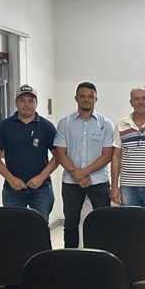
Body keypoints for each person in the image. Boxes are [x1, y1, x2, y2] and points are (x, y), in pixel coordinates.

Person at [54, 82, 114, 248]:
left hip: (99, 181)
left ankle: (101, 258)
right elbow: (60, 153)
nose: (86, 100)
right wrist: (77, 174)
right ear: (76, 98)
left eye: (90, 96)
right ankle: (71, 259)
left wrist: (83, 172)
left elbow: (107, 155)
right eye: (82, 96)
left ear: (96, 99)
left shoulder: (106, 124)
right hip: (71, 183)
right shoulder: (65, 123)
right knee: (70, 225)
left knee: (103, 224)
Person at [0, 84, 58, 222]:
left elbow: (58, 156)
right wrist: (10, 179)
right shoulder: (4, 126)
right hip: (12, 189)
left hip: (41, 189)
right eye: (22, 100)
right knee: (14, 228)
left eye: (30, 101)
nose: (26, 104)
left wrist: (40, 178)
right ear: (16, 102)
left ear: (36, 103)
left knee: (40, 227)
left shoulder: (46, 127)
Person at [110, 87, 145, 222]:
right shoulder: (121, 125)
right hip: (128, 187)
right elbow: (116, 157)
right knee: (130, 226)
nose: (140, 102)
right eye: (136, 99)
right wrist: (114, 186)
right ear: (131, 102)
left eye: (144, 98)